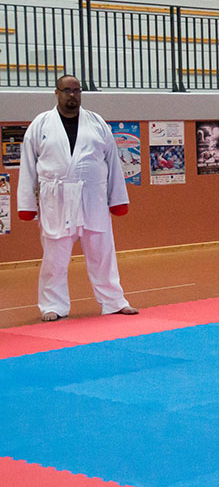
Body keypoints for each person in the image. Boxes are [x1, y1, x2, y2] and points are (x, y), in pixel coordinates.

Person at [16, 75, 138, 321]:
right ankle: (53, 305)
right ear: (57, 93)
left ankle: (114, 301)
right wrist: (26, 205)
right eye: (67, 90)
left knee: (103, 253)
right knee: (55, 258)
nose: (72, 95)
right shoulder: (41, 124)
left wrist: (118, 199)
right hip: (57, 200)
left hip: (93, 198)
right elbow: (28, 166)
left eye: (76, 90)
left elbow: (113, 163)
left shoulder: (97, 123)